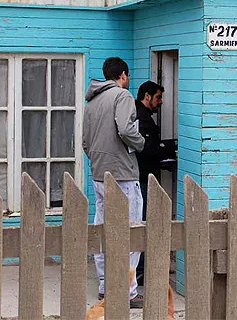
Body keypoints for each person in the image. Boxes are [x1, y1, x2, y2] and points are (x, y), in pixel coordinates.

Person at [82, 57, 145, 308]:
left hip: (99, 174)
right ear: (124, 75)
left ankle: (104, 286)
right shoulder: (122, 96)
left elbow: (85, 142)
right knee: (130, 231)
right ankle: (128, 291)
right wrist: (141, 143)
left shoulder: (92, 101)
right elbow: (126, 130)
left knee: (102, 231)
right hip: (122, 175)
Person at [134, 81, 166, 285]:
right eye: (158, 97)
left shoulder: (141, 116)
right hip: (143, 177)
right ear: (147, 96)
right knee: (143, 223)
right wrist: (162, 153)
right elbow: (145, 150)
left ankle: (140, 269)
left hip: (144, 176)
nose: (161, 102)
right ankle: (141, 271)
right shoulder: (141, 119)